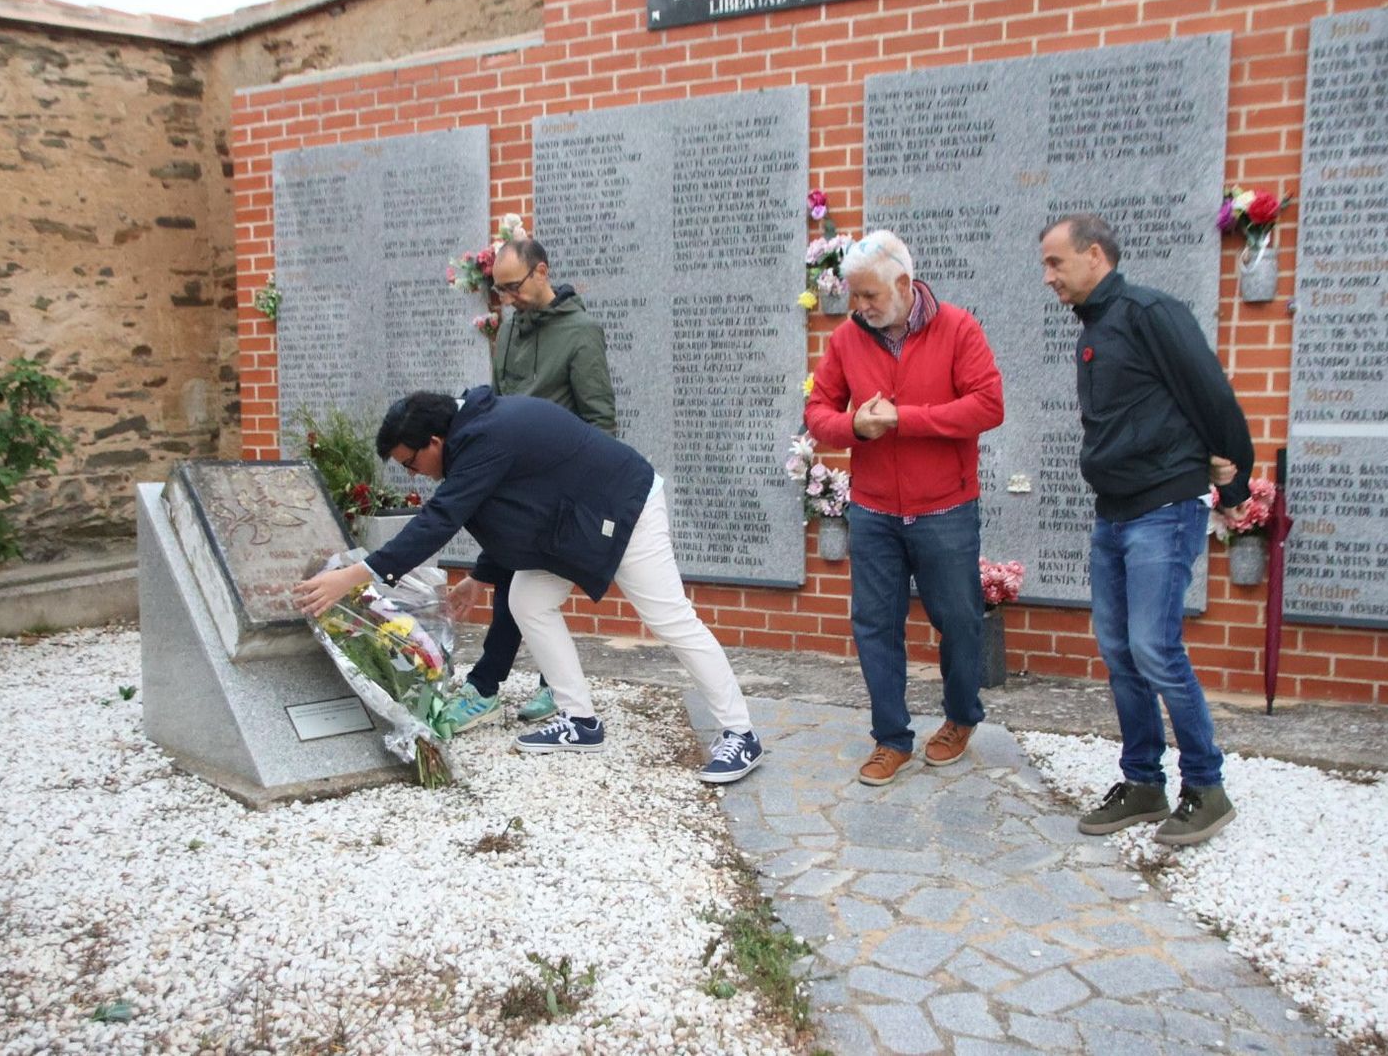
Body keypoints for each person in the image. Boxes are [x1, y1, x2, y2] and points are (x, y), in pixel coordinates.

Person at [294, 388, 763, 784]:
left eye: (411, 463)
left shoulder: (482, 437)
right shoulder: (473, 434)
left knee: (671, 619)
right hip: (573, 521)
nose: (414, 475)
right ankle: (579, 720)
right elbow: (514, 509)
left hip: (626, 508)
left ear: (434, 440)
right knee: (527, 599)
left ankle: (741, 734)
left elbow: (441, 519)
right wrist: (479, 578)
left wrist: (353, 576)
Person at [1039, 212, 1253, 846]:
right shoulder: (1095, 328)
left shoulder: (1151, 313)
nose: (1048, 276)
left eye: (1056, 262)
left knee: (1156, 650)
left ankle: (1206, 788)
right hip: (1114, 512)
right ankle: (1142, 783)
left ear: (1095, 256)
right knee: (1121, 653)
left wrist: (1234, 483)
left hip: (1164, 509)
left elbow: (1211, 395)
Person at [804, 230, 1005, 787]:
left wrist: (904, 418)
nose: (859, 308)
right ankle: (891, 738)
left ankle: (961, 717)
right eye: (854, 297)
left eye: (868, 296)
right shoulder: (848, 339)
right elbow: (819, 411)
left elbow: (989, 405)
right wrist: (854, 427)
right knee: (874, 625)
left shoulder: (959, 328)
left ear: (903, 284)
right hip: (874, 509)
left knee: (960, 621)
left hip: (946, 507)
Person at [450, 237, 618, 732]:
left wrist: (586, 491)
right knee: (514, 580)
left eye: (513, 287)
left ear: (541, 271)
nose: (507, 299)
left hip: (558, 487)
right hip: (511, 481)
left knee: (515, 582)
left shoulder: (582, 332)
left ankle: (485, 685)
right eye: (499, 291)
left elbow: (600, 419)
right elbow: (498, 407)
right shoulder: (506, 332)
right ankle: (546, 681)